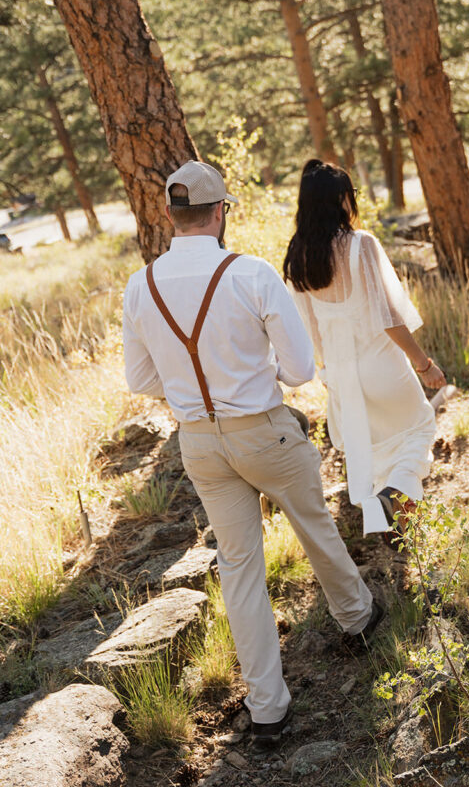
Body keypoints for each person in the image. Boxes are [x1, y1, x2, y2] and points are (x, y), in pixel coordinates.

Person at [122, 161, 382, 749]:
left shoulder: (141, 285)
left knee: (239, 568)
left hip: (198, 441)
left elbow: (140, 379)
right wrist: (246, 375)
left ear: (169, 214)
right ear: (220, 213)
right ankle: (357, 618)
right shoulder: (251, 273)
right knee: (315, 526)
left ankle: (268, 709)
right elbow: (298, 369)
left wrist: (196, 390)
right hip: (262, 428)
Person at [284, 159, 446, 543]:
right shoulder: (361, 246)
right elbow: (388, 315)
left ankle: (391, 522)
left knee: (370, 451)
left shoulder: (297, 257)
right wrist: (422, 363)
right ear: (340, 199)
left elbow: (310, 327)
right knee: (418, 430)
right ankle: (395, 502)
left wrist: (329, 374)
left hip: (340, 372)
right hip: (381, 366)